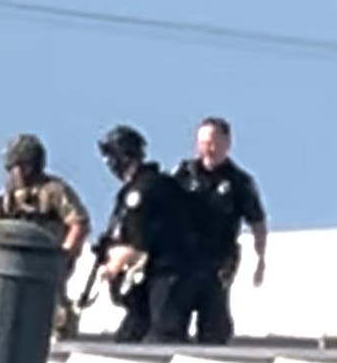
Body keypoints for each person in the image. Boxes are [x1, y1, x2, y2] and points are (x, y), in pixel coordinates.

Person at [95, 124, 199, 343]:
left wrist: (113, 267)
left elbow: (137, 242)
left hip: (167, 275)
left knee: (163, 340)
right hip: (148, 279)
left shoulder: (144, 190)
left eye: (110, 157)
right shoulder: (138, 188)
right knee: (128, 341)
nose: (108, 164)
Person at [0, 133, 90, 339]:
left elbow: (78, 222)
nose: (14, 173)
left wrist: (65, 254)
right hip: (15, 264)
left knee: (53, 309)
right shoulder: (6, 198)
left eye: (19, 166)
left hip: (47, 260)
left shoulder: (54, 191)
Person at [172, 116, 268, 343]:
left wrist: (260, 260)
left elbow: (257, 222)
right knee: (172, 322)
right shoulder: (183, 174)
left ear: (227, 143)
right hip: (182, 260)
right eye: (203, 143)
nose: (209, 149)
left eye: (214, 142)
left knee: (214, 324)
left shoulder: (239, 182)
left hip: (218, 261)